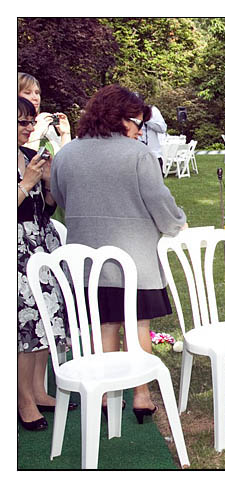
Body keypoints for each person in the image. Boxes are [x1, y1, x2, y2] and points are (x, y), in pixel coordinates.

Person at [52, 85, 187, 422]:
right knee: (139, 325)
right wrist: (177, 225)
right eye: (137, 123)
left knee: (104, 325)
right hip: (134, 261)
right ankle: (141, 395)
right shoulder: (138, 155)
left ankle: (103, 395)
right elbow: (160, 204)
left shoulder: (66, 154)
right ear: (117, 118)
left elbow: (60, 199)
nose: (141, 131)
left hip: (85, 263)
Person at [17, 96, 74, 431]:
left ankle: (38, 389)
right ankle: (22, 399)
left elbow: (47, 208)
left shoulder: (28, 156)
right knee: (28, 324)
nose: (29, 128)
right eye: (23, 122)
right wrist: (25, 184)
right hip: (16, 249)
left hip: (41, 243)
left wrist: (49, 182)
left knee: (47, 317)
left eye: (30, 121)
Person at [18, 72, 72, 154]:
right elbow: (26, 161)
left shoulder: (47, 125)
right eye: (27, 93)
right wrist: (37, 132)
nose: (35, 97)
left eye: (37, 93)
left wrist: (65, 134)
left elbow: (64, 163)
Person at [137, 103, 168, 173]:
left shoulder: (152, 110)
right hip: (136, 156)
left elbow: (163, 128)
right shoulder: (127, 111)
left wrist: (147, 120)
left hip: (154, 155)